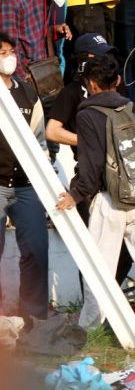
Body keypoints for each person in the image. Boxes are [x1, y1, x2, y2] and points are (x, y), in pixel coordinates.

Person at [54, 56, 135, 353]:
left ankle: (91, 329)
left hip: (110, 202)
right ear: (118, 80)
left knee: (99, 269)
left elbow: (91, 164)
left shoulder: (88, 114)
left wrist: (76, 195)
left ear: (91, 84)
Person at [0, 32, 49, 322]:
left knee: (36, 250)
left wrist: (45, 167)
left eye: (9, 51)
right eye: (1, 52)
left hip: (26, 184)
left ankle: (34, 317)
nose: (8, 57)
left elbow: (40, 135)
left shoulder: (27, 91)